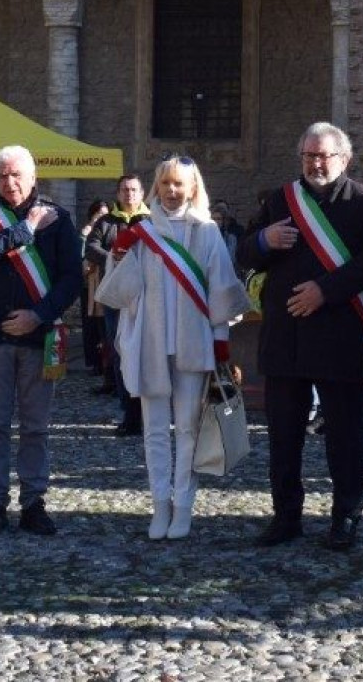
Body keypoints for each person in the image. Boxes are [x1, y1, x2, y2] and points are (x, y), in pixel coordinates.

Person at [238, 122, 363, 552]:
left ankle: (346, 517)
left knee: (344, 436)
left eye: (324, 156)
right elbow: (245, 252)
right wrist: (264, 240)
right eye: (309, 155)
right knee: (284, 437)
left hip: (339, 335)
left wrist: (326, 290)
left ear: (344, 159)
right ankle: (286, 517)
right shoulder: (279, 200)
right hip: (285, 338)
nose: (316, 163)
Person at [93, 155, 251, 540]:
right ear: (156, 187)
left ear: (193, 187)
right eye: (165, 183)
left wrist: (221, 346)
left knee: (188, 431)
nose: (171, 190)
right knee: (154, 431)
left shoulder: (208, 231)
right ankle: (159, 506)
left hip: (193, 342)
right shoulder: (144, 232)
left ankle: (183, 507)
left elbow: (221, 290)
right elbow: (120, 292)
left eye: (179, 183)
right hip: (151, 339)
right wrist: (118, 255)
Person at [0, 145, 84, 537]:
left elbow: (72, 278)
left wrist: (39, 315)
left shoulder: (59, 219)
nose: (10, 182)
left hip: (40, 336)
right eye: (2, 175)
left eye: (16, 174)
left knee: (36, 426)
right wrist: (26, 230)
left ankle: (34, 502)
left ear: (33, 177)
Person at [85, 174, 149, 433]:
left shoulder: (151, 221)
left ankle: (147, 408)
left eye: (134, 190)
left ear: (142, 193)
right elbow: (91, 248)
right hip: (114, 297)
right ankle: (128, 408)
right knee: (119, 348)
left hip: (144, 296)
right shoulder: (106, 222)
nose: (129, 194)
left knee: (144, 351)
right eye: (125, 190)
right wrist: (113, 258)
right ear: (118, 193)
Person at [79, 198, 112, 374]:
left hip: (105, 282)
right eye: (99, 214)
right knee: (91, 326)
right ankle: (95, 362)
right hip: (88, 285)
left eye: (105, 215)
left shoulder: (109, 230)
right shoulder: (86, 233)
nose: (101, 218)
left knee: (105, 327)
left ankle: (106, 365)